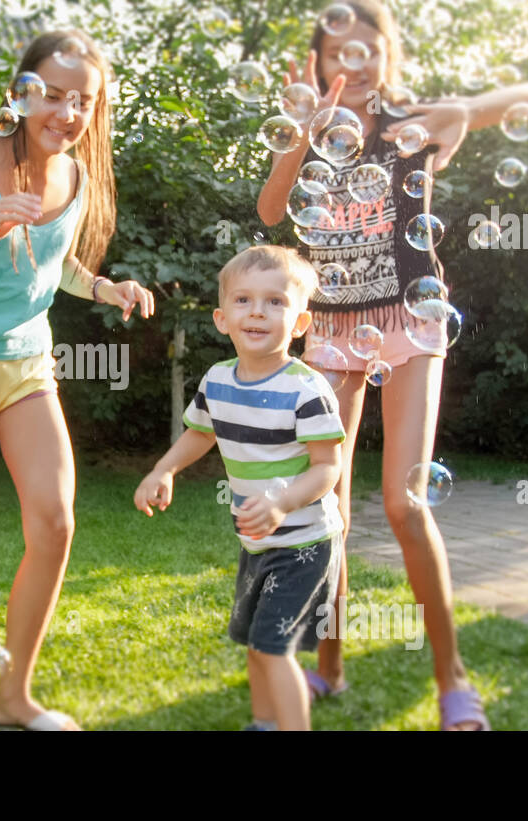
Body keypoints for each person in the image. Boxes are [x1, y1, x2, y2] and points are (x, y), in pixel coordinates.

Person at [256, 0, 528, 730]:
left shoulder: (417, 125)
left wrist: (458, 104)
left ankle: (453, 680)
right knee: (325, 511)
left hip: (410, 321)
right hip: (331, 327)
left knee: (403, 501)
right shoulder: (310, 141)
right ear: (318, 67)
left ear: (388, 57)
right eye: (336, 56)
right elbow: (270, 211)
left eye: (366, 52)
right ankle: (329, 665)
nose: (350, 66)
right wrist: (297, 134)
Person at [0, 29, 154, 731]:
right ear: (21, 93)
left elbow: (54, 264)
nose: (67, 112)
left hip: (25, 367)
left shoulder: (74, 178)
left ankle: (11, 699)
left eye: (84, 101)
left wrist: (103, 286)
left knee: (54, 520)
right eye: (52, 94)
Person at [133, 245, 345, 731]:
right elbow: (200, 433)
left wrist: (281, 501)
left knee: (273, 648)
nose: (257, 311)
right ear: (222, 318)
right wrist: (163, 469)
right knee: (256, 642)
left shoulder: (307, 389)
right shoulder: (217, 380)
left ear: (299, 323)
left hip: (304, 544)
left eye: (275, 302)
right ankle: (265, 723)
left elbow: (327, 468)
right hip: (257, 540)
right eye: (244, 300)